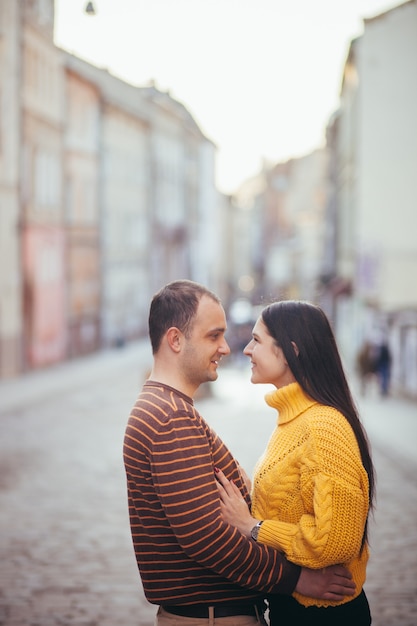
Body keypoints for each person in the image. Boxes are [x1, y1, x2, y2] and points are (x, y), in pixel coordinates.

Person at [123, 281, 356, 626]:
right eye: (213, 336)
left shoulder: (168, 408)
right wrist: (297, 579)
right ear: (175, 340)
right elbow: (207, 538)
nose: (227, 348)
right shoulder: (170, 416)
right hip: (212, 618)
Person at [216, 300, 375, 625]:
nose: (246, 349)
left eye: (257, 340)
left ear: (290, 350)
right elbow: (297, 500)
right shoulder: (295, 419)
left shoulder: (322, 426)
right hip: (296, 607)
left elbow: (335, 541)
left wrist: (252, 527)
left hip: (324, 614)